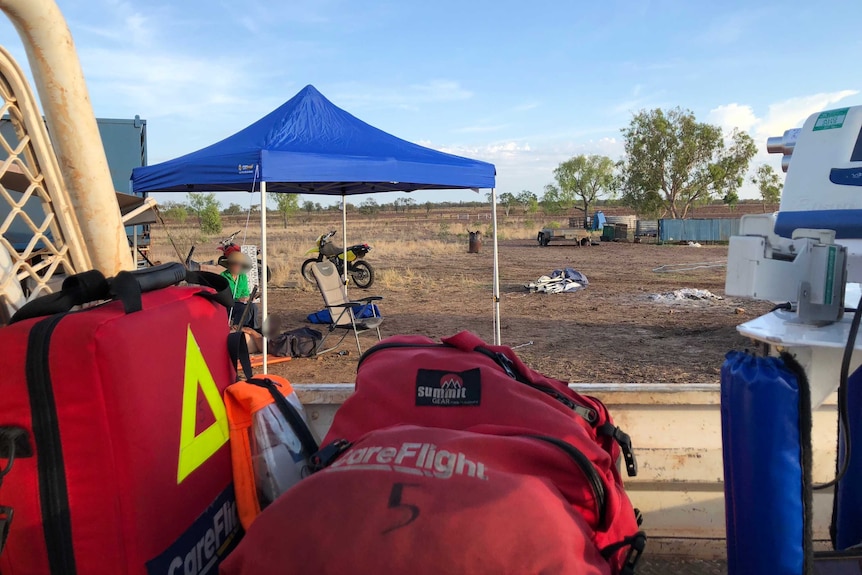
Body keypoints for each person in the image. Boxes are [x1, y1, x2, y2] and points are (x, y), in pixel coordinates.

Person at [221, 250, 260, 331]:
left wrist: (248, 298)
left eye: (239, 265)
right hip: (227, 305)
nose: (237, 267)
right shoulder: (223, 277)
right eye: (235, 264)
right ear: (229, 265)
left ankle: (252, 329)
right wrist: (237, 300)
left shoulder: (242, 277)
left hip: (241, 303)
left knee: (253, 307)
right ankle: (238, 328)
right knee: (242, 308)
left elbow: (245, 293)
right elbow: (222, 297)